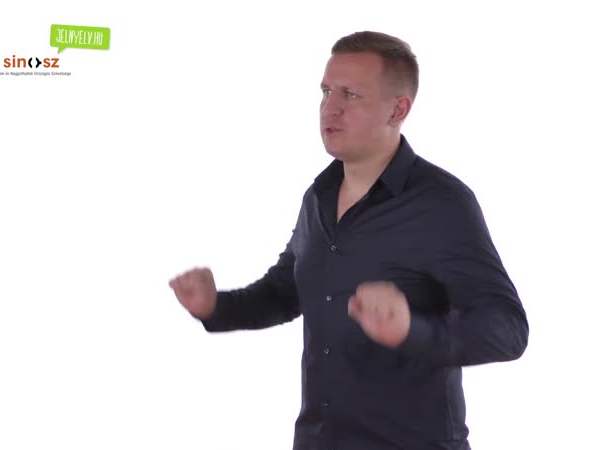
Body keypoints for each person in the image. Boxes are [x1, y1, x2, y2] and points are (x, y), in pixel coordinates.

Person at [169, 30, 529, 450]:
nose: (331, 108)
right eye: (326, 92)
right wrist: (216, 306)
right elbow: (285, 292)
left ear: (398, 109)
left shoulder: (442, 203)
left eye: (350, 95)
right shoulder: (318, 197)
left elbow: (509, 329)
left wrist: (411, 329)